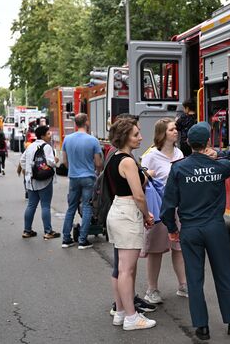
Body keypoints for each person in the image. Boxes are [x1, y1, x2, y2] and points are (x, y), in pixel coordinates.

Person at [161, 122, 230, 340]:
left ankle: (202, 327)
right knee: (224, 274)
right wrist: (220, 152)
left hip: (190, 229)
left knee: (194, 278)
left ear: (188, 143)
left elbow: (168, 205)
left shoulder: (178, 168)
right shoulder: (219, 165)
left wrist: (171, 228)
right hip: (215, 227)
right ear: (208, 142)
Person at [106, 117, 156, 330]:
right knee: (127, 270)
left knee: (120, 269)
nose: (140, 138)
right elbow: (139, 196)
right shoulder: (127, 161)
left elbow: (125, 186)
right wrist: (147, 215)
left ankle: (120, 312)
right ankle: (132, 317)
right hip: (127, 214)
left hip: (117, 210)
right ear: (125, 136)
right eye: (136, 134)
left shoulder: (115, 157)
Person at [141, 118, 188, 303]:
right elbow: (140, 181)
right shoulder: (151, 155)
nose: (175, 131)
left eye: (175, 129)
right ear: (162, 134)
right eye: (171, 129)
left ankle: (183, 285)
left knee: (179, 248)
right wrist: (148, 175)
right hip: (159, 208)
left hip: (179, 207)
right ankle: (152, 290)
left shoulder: (179, 152)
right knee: (156, 250)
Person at [61, 113, 103, 249]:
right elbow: (98, 163)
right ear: (86, 122)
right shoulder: (93, 140)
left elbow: (65, 162)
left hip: (73, 177)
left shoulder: (67, 139)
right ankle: (83, 240)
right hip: (88, 178)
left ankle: (66, 239)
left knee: (71, 207)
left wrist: (73, 169)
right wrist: (96, 172)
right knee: (86, 207)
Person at [20, 126, 61, 239]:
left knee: (31, 205)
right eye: (48, 134)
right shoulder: (47, 147)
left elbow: (22, 160)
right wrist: (56, 160)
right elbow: (50, 162)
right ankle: (48, 231)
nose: (50, 135)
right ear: (42, 136)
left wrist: (28, 170)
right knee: (45, 206)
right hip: (44, 180)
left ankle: (27, 230)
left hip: (31, 181)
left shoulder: (30, 146)